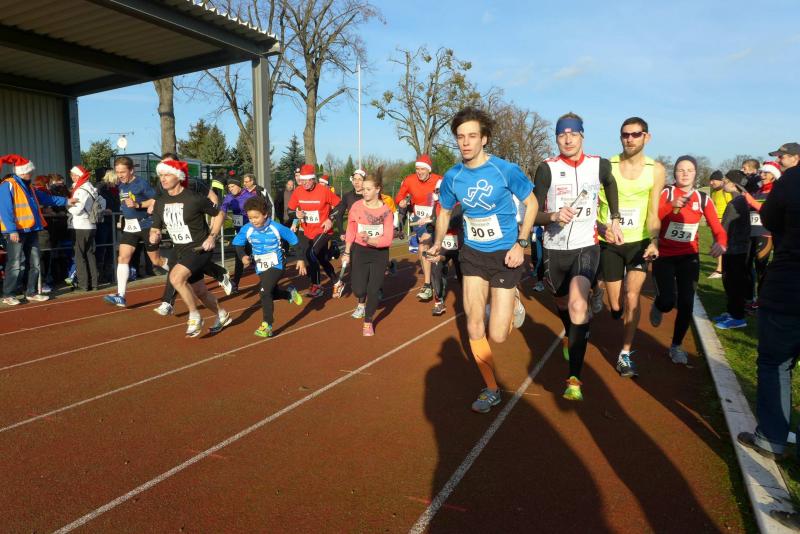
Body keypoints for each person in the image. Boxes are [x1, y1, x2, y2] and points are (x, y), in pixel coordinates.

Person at [428, 107, 536, 413]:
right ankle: (491, 389)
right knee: (474, 325)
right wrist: (437, 243)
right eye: (460, 137)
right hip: (473, 254)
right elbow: (444, 211)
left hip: (505, 255)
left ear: (484, 139)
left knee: (498, 335)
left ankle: (514, 301)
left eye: (472, 136)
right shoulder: (453, 176)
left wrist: (522, 243)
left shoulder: (505, 170)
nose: (465, 142)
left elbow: (531, 203)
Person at [533, 113, 623, 400]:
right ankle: (570, 333)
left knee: (576, 302)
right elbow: (533, 213)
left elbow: (611, 184)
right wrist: (553, 216)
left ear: (582, 135)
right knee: (563, 303)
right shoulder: (546, 168)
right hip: (554, 249)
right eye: (562, 134)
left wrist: (615, 219)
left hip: (586, 246)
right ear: (556, 138)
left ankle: (574, 379)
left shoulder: (599, 165)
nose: (568, 139)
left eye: (573, 133)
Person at [736, 163, 800, 533]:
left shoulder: (792, 180)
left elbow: (771, 219)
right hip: (788, 285)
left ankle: (772, 437)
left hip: (789, 285)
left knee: (775, 363)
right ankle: (772, 437)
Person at [596, 117, 665, 378]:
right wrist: (602, 228)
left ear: (647, 137)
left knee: (632, 297)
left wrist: (654, 241)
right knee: (616, 306)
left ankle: (625, 353)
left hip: (639, 241)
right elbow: (593, 205)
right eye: (625, 134)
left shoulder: (656, 169)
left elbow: (653, 211)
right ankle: (604, 299)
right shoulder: (607, 166)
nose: (630, 139)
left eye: (636, 134)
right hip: (611, 242)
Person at [649, 156, 727, 363]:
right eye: (680, 170)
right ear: (674, 173)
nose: (684, 174)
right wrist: (670, 205)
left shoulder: (703, 199)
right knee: (667, 302)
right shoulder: (666, 193)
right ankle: (659, 304)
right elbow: (653, 218)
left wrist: (721, 242)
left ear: (695, 174)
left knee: (686, 303)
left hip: (689, 257)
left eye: (689, 170)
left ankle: (676, 346)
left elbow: (717, 228)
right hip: (664, 256)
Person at [150, 159, 230, 337]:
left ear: (178, 176)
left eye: (167, 174)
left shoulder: (194, 198)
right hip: (180, 250)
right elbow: (155, 228)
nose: (163, 179)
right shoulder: (161, 202)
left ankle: (195, 316)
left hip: (199, 248)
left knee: (176, 278)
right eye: (161, 175)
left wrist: (212, 236)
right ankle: (222, 314)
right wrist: (154, 235)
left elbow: (220, 214)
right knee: (201, 291)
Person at [0, 154, 70, 305]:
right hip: (17, 231)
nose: (32, 173)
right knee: (16, 264)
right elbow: (5, 209)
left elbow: (46, 198)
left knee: (35, 263)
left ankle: (31, 292)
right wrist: (12, 230)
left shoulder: (29, 186)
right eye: (30, 171)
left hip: (31, 229)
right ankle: (8, 294)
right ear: (23, 171)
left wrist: (67, 201)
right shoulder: (8, 185)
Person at [233, 196, 305, 337]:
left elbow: (294, 240)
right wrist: (242, 256)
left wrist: (300, 259)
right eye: (250, 218)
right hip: (260, 266)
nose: (253, 221)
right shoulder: (247, 229)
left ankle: (267, 325)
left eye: (256, 217)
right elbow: (238, 244)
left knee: (264, 292)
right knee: (271, 292)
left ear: (265, 214)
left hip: (277, 265)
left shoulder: (276, 227)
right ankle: (289, 294)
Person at [103, 156, 167, 307]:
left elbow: (155, 200)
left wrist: (138, 205)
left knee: (156, 261)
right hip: (130, 227)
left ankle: (181, 272)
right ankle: (121, 296)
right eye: (118, 172)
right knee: (122, 257)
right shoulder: (121, 185)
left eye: (123, 172)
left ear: (131, 170)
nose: (120, 175)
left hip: (146, 225)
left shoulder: (141, 183)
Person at [342, 170, 395, 336]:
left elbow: (388, 239)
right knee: (358, 290)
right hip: (360, 251)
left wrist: (370, 239)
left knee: (373, 290)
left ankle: (368, 321)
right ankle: (362, 301)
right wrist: (347, 252)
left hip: (379, 253)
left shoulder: (386, 211)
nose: (364, 192)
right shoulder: (356, 207)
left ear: (377, 189)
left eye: (368, 189)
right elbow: (351, 229)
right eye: (363, 189)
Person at [287, 164, 342, 298]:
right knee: (321, 259)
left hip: (323, 230)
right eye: (302, 180)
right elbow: (289, 211)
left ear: (313, 179)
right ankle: (337, 281)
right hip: (307, 231)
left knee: (310, 253)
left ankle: (317, 285)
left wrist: (330, 219)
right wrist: (296, 214)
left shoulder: (323, 190)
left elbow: (340, 205)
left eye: (307, 180)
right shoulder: (298, 191)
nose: (304, 183)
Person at [395, 155, 441, 301]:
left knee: (425, 245)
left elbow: (447, 200)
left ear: (429, 170)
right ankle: (431, 277)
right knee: (422, 251)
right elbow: (399, 196)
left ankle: (429, 282)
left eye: (422, 169)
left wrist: (434, 215)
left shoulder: (439, 180)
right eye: (417, 169)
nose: (419, 172)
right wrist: (401, 201)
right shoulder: (409, 180)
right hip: (418, 221)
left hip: (435, 218)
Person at [713, 172, 752, 330]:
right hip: (737, 249)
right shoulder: (741, 201)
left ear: (734, 184)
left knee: (733, 284)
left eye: (726, 180)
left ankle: (737, 317)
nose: (723, 183)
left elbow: (724, 228)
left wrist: (718, 243)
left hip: (735, 250)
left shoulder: (735, 203)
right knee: (732, 283)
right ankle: (731, 312)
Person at [742, 162, 780, 311]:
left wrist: (751, 201)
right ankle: (749, 297)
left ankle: (762, 300)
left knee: (761, 268)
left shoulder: (776, 192)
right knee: (746, 266)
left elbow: (768, 210)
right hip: (750, 233)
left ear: (773, 175)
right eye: (761, 172)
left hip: (765, 234)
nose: (762, 175)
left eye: (766, 173)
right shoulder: (757, 191)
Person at [67, 165, 105, 291]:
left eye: (75, 175)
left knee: (79, 256)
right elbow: (103, 203)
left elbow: (77, 210)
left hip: (80, 225)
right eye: (72, 175)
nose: (73, 177)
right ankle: (94, 283)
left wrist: (68, 207)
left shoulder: (80, 190)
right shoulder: (92, 188)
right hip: (91, 225)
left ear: (80, 176)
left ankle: (83, 284)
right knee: (90, 254)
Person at [220, 177, 256, 293]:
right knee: (238, 255)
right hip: (240, 232)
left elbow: (260, 209)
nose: (231, 189)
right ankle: (235, 284)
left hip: (251, 230)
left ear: (239, 186)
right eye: (229, 187)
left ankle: (269, 280)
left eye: (233, 186)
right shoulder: (229, 197)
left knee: (253, 255)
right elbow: (223, 208)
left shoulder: (249, 196)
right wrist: (221, 217)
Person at [95, 169, 120, 284]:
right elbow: (97, 202)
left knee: (111, 248)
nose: (119, 181)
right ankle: (99, 274)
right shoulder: (101, 187)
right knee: (102, 247)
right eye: (117, 178)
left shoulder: (116, 189)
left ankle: (108, 273)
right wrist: (104, 210)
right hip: (103, 221)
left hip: (112, 220)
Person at [707, 170, 731, 279]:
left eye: (714, 180)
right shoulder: (713, 192)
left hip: (724, 222)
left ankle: (720, 270)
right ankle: (721, 268)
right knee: (717, 245)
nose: (711, 183)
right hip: (715, 222)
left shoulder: (726, 191)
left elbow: (731, 206)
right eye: (710, 180)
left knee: (721, 244)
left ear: (721, 180)